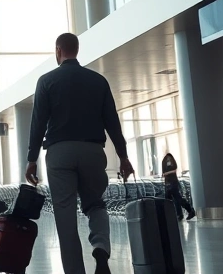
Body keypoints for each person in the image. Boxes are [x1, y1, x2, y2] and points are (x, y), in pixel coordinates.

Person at [25, 33, 134, 274]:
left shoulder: (46, 81)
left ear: (58, 51)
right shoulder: (98, 81)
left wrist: (32, 160)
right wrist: (123, 156)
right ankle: (101, 250)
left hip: (59, 153)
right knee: (95, 204)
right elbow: (112, 121)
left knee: (65, 216)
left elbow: (37, 124)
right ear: (77, 49)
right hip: (93, 151)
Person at [161, 153, 196, 221]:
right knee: (174, 198)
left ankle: (185, 212)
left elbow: (170, 171)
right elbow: (167, 172)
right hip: (170, 182)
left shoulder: (167, 161)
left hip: (172, 182)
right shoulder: (166, 161)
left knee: (176, 198)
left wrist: (167, 173)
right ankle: (180, 213)